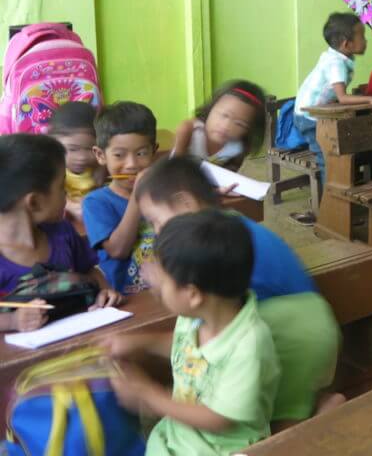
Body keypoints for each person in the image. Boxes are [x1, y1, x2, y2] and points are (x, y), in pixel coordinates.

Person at [135, 158, 339, 429]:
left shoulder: (215, 252)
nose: (157, 233)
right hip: (293, 314)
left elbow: (208, 326)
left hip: (299, 329)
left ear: (185, 204)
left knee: (280, 430)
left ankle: (325, 412)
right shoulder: (223, 230)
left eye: (156, 221)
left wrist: (163, 286)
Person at [104, 211, 280, 455]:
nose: (154, 287)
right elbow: (186, 350)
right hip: (175, 438)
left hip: (223, 450)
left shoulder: (248, 345)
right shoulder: (196, 318)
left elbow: (218, 419)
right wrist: (141, 343)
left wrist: (148, 394)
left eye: (161, 282)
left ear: (193, 294)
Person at [0, 134, 120, 332]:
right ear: (35, 203)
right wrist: (12, 321)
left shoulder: (62, 232)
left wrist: (105, 291)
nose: (66, 195)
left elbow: (89, 271)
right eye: (61, 187)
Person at [294, 13, 372, 189]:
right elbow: (342, 97)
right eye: (362, 36)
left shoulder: (338, 57)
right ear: (346, 44)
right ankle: (331, 203)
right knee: (328, 158)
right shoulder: (336, 63)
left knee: (341, 152)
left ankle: (344, 189)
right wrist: (371, 99)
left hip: (317, 114)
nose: (366, 41)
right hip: (309, 118)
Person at [83, 102, 159, 293]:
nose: (132, 164)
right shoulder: (96, 203)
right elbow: (117, 250)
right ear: (100, 155)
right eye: (119, 155)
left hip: (168, 293)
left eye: (141, 153)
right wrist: (137, 197)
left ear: (154, 151)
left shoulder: (164, 193)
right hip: (127, 299)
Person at [172, 80, 266, 172]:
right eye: (224, 115)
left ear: (248, 130)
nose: (226, 126)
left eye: (239, 124)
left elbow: (227, 175)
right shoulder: (189, 130)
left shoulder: (238, 148)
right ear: (210, 108)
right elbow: (172, 169)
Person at [48, 101, 104, 234]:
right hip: (67, 223)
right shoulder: (51, 169)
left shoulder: (100, 163)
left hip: (94, 222)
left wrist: (102, 167)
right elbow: (46, 196)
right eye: (72, 149)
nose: (82, 157)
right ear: (54, 144)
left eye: (90, 149)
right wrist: (70, 206)